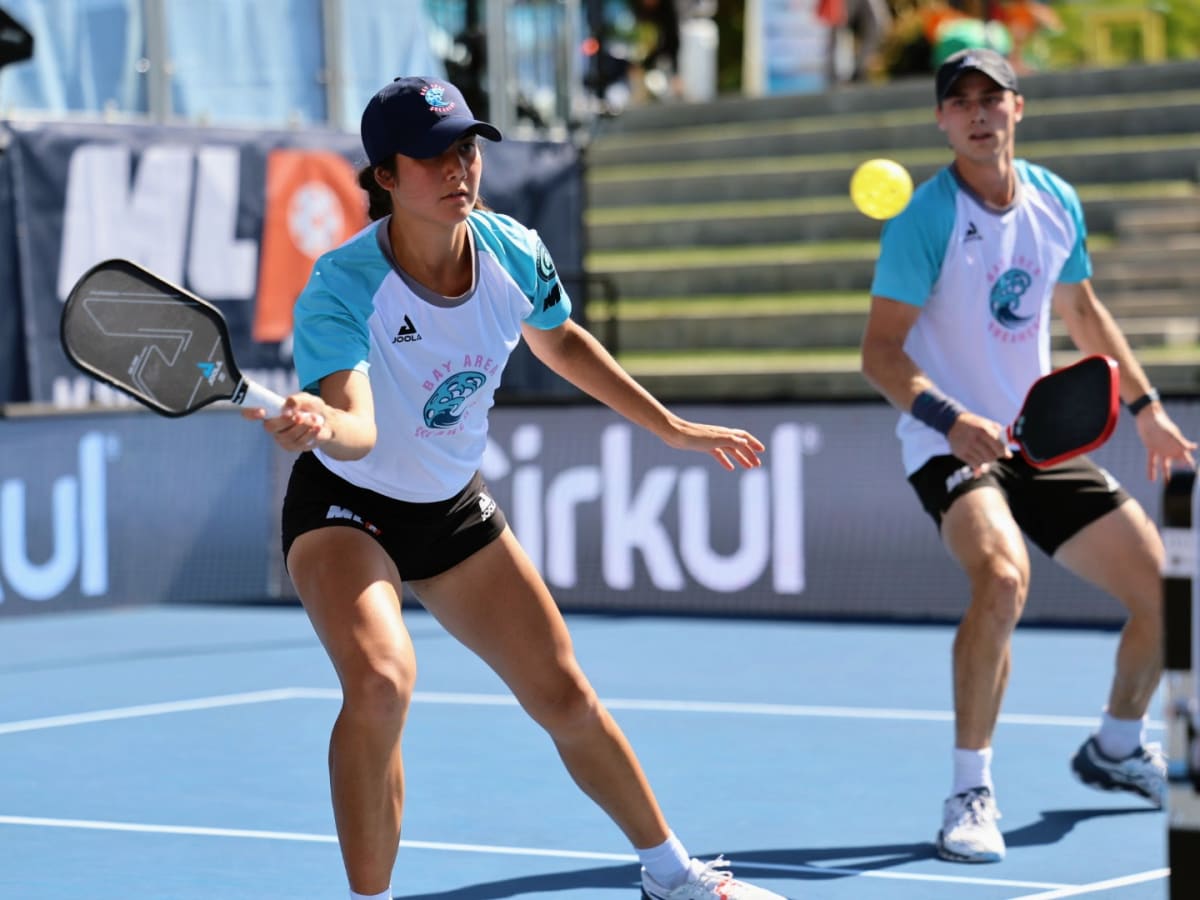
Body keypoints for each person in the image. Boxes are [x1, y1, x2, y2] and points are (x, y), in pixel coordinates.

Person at [243, 75, 785, 900]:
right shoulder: (344, 284)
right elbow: (356, 425)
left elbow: (563, 344)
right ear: (385, 176)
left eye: (466, 149)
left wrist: (670, 426)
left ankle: (671, 876)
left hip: (453, 507)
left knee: (564, 693)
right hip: (347, 506)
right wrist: (316, 422)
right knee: (382, 682)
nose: (458, 168)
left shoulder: (511, 251)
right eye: (432, 156)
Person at [858, 49, 1197, 864]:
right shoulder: (924, 219)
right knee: (1004, 579)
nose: (977, 112)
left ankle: (1115, 748)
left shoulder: (1055, 202)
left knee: (1165, 595)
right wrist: (948, 415)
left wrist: (1146, 409)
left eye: (991, 98)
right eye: (960, 101)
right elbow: (879, 354)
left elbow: (1082, 310)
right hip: (948, 438)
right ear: (942, 121)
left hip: (1036, 437)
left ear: (1018, 108)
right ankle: (969, 789)